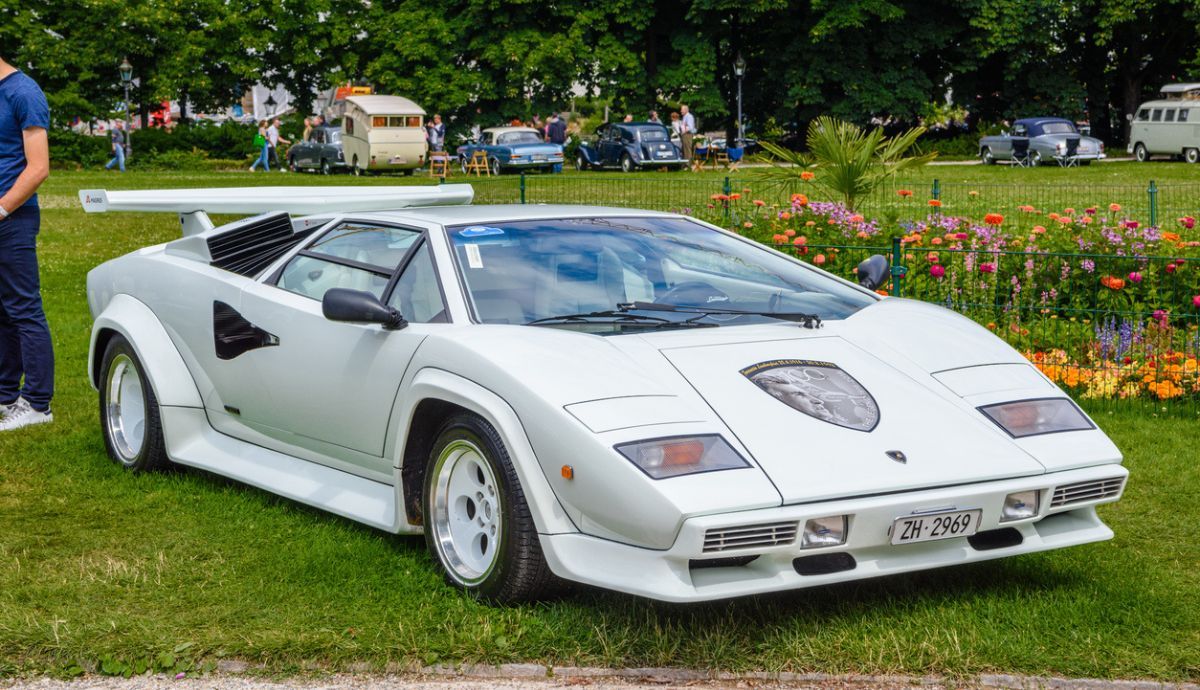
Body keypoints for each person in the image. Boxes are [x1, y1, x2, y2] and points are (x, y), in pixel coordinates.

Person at [0, 55, 53, 431]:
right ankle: (5, 396)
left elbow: (39, 167)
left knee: (23, 309)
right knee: (2, 312)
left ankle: (37, 405)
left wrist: (1, 209)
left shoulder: (23, 91)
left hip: (13, 217)